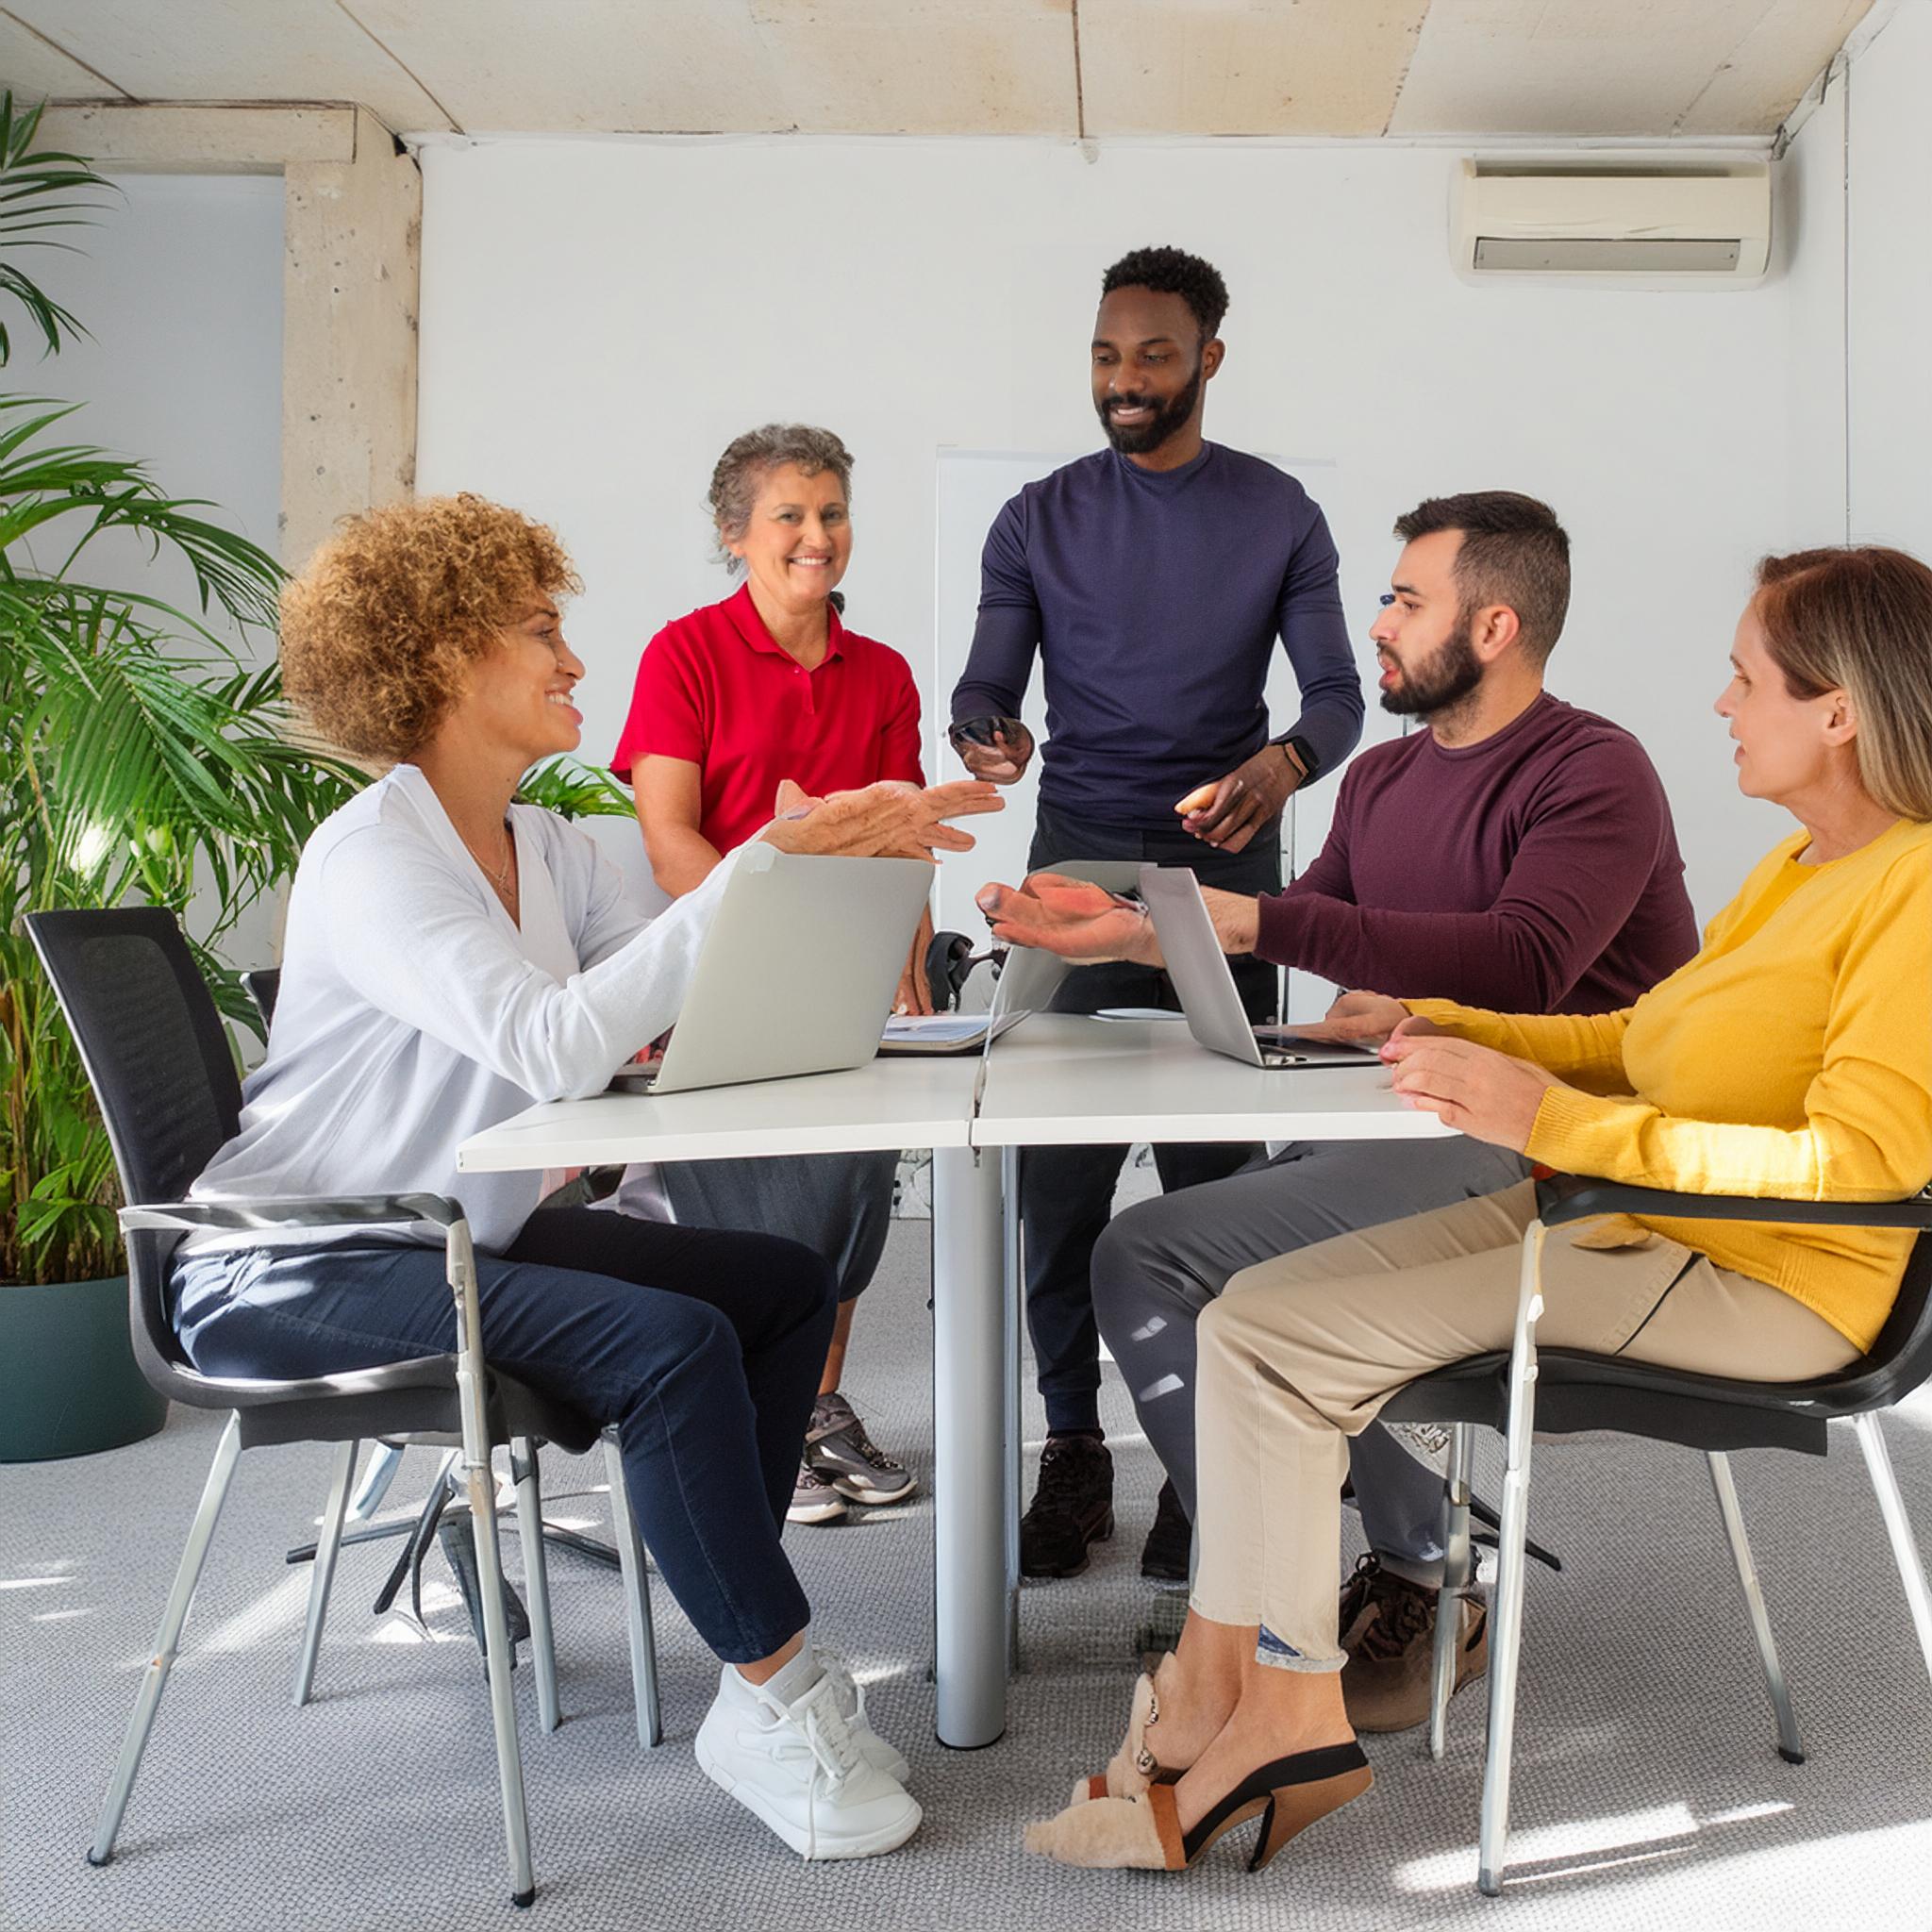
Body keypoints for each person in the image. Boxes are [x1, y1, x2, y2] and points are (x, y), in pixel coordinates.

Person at [1011, 542, 1932, 1872]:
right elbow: (1644, 1039)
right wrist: (1451, 1028)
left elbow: (1863, 1166)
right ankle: (1236, 1688)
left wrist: (1548, 1123)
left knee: (1276, 1344)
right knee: (1246, 1316)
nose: (1722, 705)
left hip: (1770, 1282)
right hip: (1636, 1215)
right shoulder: (1801, 871)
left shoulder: (1910, 888)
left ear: (1838, 708)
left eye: (1745, 681)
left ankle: (1274, 1703)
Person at [169, 494, 1001, 1861]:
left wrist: (840, 854)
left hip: (457, 1234)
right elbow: (551, 1036)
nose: (573, 662)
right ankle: (773, 1684)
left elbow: (681, 974)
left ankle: (748, 1626)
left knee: (781, 1289)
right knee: (670, 1345)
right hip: (298, 1262)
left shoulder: (545, 843)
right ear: (439, 659)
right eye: (541, 633)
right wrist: (763, 864)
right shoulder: (378, 856)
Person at [992, 491, 1700, 1735]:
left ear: (1493, 625)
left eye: (1405, 600)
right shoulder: (1380, 779)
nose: (1375, 623)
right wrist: (1134, 935)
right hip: (1404, 1121)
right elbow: (1330, 925)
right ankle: (1362, 1565)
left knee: (1154, 1254)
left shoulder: (1596, 771)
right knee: (1195, 1245)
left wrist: (1259, 924)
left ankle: (1369, 1584)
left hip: (1559, 1155)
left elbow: (1529, 959)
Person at [948, 245, 1365, 1578]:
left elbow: (1337, 701)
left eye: (1154, 357)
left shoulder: (1281, 514)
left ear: (1209, 361)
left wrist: (1281, 766)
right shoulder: (1035, 517)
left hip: (1221, 865)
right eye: (1107, 356)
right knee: (1058, 1184)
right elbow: (984, 686)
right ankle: (1073, 1449)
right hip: (1074, 852)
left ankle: (1203, 1458)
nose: (1125, 382)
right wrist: (988, 737)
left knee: (1212, 1182)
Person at [613, 425, 926, 1526]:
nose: (815, 536)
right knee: (752, 1208)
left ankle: (812, 1399)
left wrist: (907, 954)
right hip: (721, 969)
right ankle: (756, 1406)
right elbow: (667, 839)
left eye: (831, 511)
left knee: (846, 1200)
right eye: (789, 514)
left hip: (846, 979)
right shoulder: (683, 653)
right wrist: (767, 938)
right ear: (734, 532)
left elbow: (901, 833)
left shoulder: (881, 672)